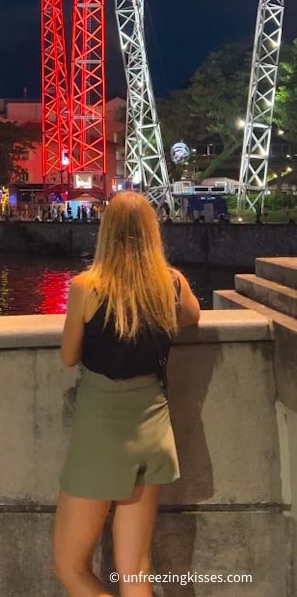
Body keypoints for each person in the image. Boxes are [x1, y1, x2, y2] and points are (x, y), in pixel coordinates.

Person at [53, 191, 200, 597]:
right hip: (152, 431)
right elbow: (191, 316)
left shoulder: (87, 287)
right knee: (135, 571)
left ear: (106, 233)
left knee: (69, 566)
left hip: (101, 434)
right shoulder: (169, 283)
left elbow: (69, 356)